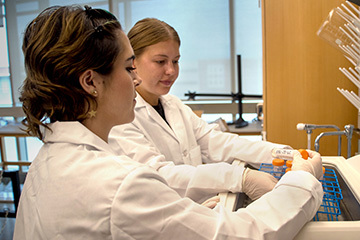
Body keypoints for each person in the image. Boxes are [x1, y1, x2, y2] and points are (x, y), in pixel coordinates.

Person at [14, 6, 323, 239]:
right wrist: (303, 181)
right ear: (91, 82)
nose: (134, 78)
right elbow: (242, 233)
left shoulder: (47, 162)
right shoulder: (119, 184)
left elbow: (215, 143)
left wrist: (187, 218)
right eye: (128, 67)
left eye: (175, 61)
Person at [109, 18, 295, 203]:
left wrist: (284, 153)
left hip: (195, 210)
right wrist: (238, 178)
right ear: (133, 62)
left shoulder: (174, 105)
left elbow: (219, 143)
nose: (171, 71)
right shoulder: (120, 120)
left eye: (175, 61)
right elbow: (159, 173)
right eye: (160, 61)